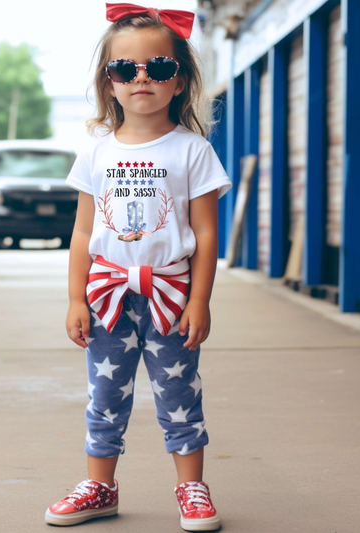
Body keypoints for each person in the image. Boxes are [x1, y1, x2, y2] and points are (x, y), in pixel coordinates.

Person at [45, 3, 231, 531]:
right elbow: (83, 232)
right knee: (104, 394)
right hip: (108, 293)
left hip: (170, 294)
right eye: (125, 69)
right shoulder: (96, 154)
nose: (141, 77)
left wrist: (200, 299)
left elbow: (206, 233)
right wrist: (76, 297)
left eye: (160, 67)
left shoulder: (194, 151)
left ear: (181, 81)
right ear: (109, 83)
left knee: (179, 391)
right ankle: (99, 486)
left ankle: (191, 487)